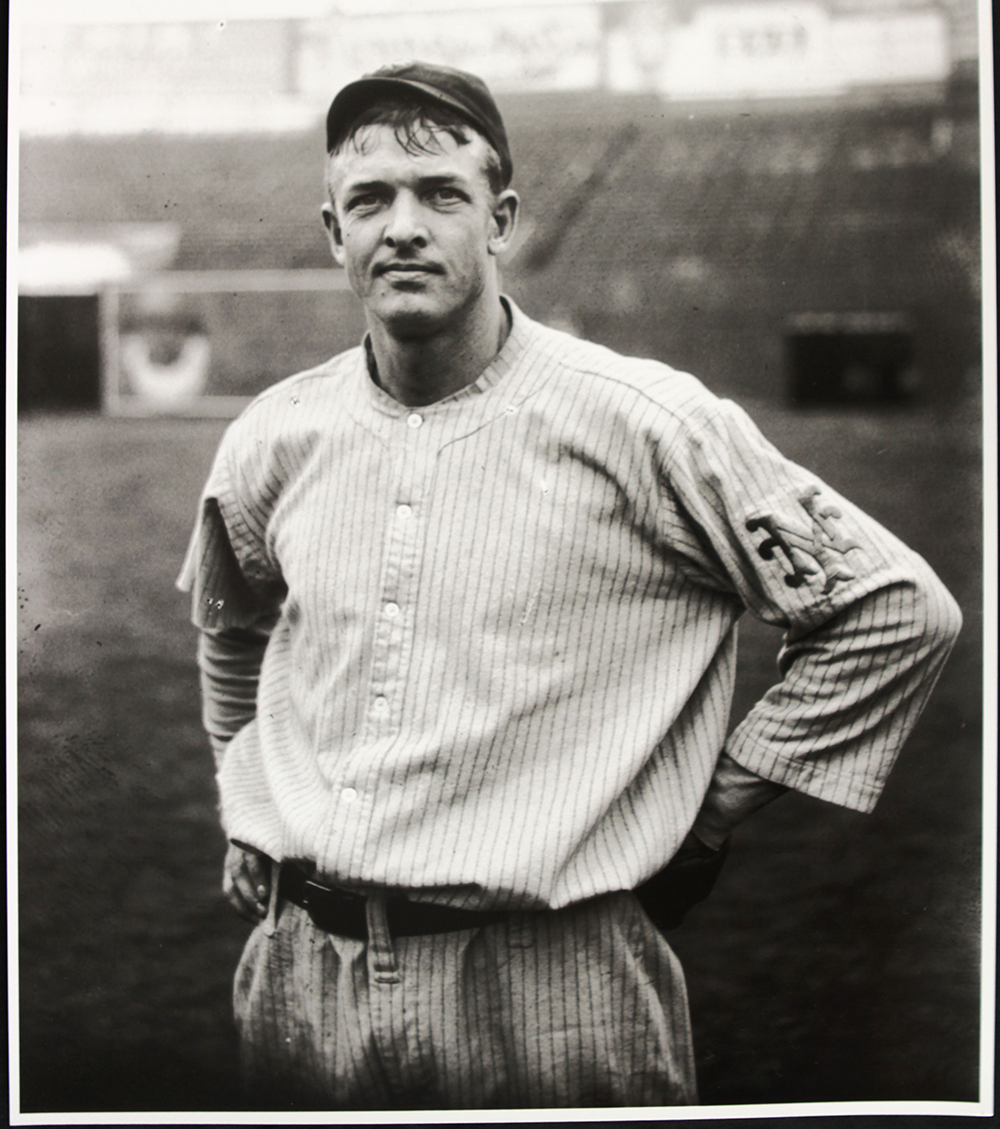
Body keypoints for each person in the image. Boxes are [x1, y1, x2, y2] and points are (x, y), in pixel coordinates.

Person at [177, 61, 962, 1110]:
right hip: (303, 975)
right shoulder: (273, 432)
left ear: (500, 218)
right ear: (333, 232)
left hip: (551, 982)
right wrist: (244, 797)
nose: (402, 226)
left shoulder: (648, 423)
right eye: (369, 200)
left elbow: (893, 608)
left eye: (441, 195)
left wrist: (715, 806)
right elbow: (232, 623)